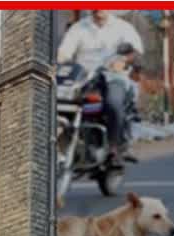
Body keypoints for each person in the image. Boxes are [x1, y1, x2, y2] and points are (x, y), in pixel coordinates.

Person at [56, 10, 144, 165]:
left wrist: (123, 60)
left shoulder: (122, 27)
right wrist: (60, 60)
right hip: (85, 79)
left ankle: (114, 148)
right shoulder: (79, 28)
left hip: (113, 77)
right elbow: (65, 52)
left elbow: (135, 52)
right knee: (60, 101)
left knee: (113, 102)